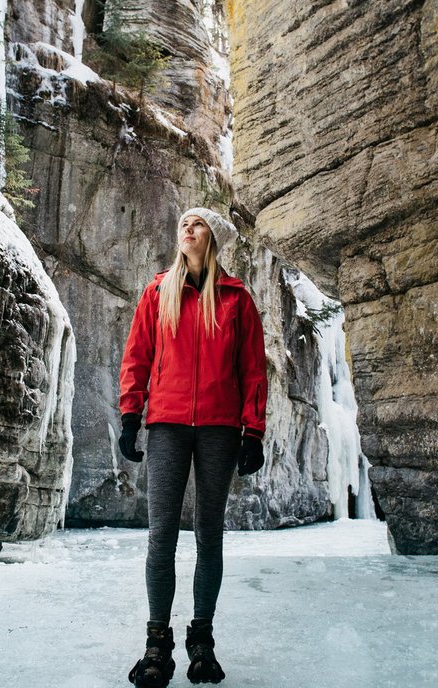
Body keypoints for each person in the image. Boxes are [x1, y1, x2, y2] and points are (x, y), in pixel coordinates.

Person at [117, 207, 268, 687]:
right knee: (161, 533)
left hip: (220, 429)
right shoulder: (157, 292)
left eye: (198, 223)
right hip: (167, 425)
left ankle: (201, 640)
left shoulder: (237, 299)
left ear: (213, 238)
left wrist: (254, 430)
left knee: (209, 533)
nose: (188, 228)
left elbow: (252, 370)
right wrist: (129, 415)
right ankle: (156, 643)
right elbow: (138, 355)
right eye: (183, 222)